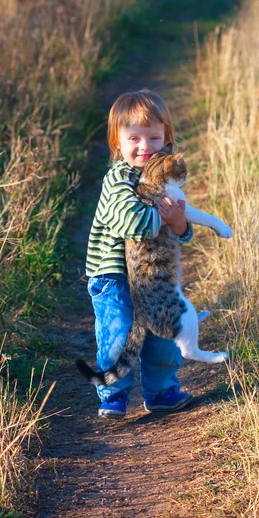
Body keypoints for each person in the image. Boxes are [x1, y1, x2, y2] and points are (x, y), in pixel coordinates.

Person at [86, 88, 194, 418]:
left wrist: (179, 224)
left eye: (154, 138)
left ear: (166, 140)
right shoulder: (119, 178)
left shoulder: (163, 177)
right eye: (134, 138)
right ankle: (113, 394)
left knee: (163, 332)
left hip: (149, 277)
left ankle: (161, 390)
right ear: (118, 143)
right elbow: (130, 223)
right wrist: (164, 216)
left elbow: (179, 233)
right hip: (112, 274)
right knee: (119, 329)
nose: (145, 147)